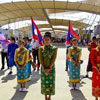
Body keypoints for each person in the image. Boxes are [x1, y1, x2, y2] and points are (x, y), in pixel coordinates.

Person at [39, 32, 57, 100]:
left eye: (48, 39)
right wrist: (44, 68)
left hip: (51, 68)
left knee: (50, 82)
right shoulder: (41, 48)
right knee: (44, 83)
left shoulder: (54, 48)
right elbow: (40, 59)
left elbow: (53, 59)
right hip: (43, 68)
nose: (46, 41)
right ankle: (45, 96)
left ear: (50, 40)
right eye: (45, 39)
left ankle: (49, 96)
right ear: (43, 40)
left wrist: (49, 68)